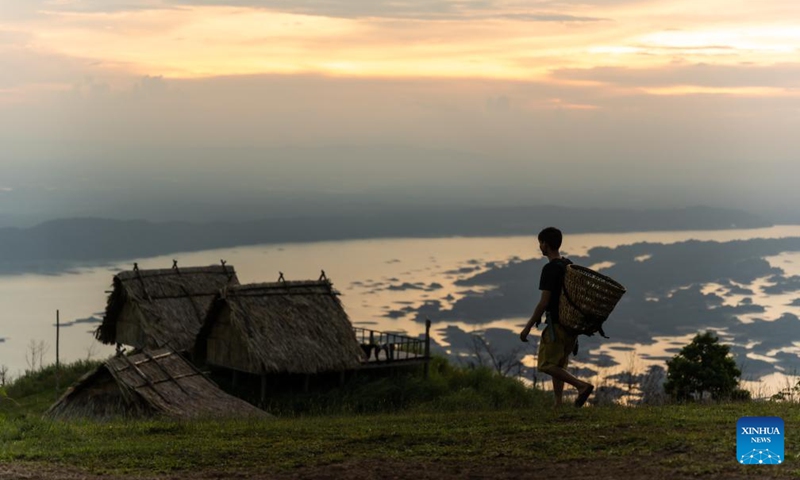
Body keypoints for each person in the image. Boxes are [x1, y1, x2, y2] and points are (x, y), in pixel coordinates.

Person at [520, 227, 594, 407]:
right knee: (559, 366)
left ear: (545, 244)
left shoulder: (549, 269)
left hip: (557, 326)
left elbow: (544, 302)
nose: (540, 247)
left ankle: (581, 386)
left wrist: (527, 327)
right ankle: (558, 403)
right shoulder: (568, 264)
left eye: (540, 243)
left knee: (546, 364)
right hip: (570, 326)